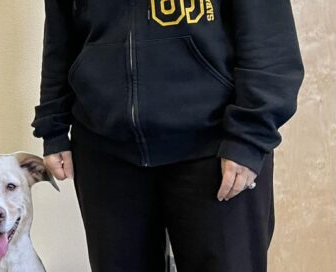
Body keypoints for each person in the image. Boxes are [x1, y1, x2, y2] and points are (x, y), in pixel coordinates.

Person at [31, 0, 304, 271]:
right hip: (105, 150)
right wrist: (53, 125)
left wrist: (249, 136)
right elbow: (59, 36)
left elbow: (270, 41)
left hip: (214, 147)